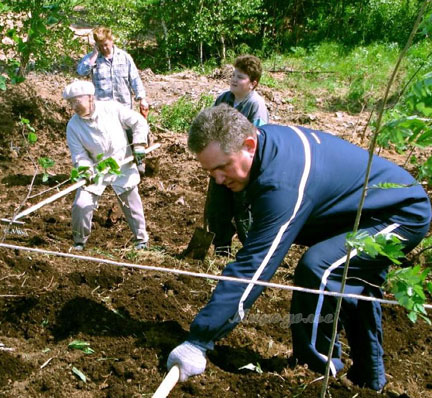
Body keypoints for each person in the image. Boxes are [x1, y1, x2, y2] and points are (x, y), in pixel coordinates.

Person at [167, 104, 431, 391]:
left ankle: (317, 374)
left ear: (249, 144)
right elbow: (222, 201)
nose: (218, 178)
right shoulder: (255, 150)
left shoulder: (283, 183)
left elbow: (256, 265)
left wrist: (200, 339)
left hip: (399, 214)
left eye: (222, 168)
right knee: (352, 281)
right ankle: (371, 380)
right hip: (356, 211)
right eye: (210, 171)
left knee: (319, 269)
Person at [63, 80, 149, 251]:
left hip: (121, 162)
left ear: (89, 98)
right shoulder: (73, 126)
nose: (74, 106)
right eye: (70, 102)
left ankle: (141, 240)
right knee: (81, 204)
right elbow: (79, 154)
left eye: (76, 101)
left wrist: (139, 144)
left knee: (131, 202)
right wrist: (85, 169)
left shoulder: (111, 108)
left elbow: (138, 122)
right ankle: (79, 242)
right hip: (97, 169)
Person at [205, 54, 268, 255]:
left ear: (253, 83)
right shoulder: (223, 99)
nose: (234, 79)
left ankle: (252, 255)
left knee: (243, 215)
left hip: (242, 171)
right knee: (216, 211)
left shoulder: (256, 106)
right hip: (220, 167)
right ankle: (221, 251)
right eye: (233, 75)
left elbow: (255, 142)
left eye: (240, 77)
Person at [77, 27, 150, 173]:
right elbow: (81, 71)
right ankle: (108, 168)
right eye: (101, 45)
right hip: (104, 110)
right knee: (106, 140)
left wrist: (142, 98)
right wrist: (93, 55)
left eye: (106, 44)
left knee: (132, 133)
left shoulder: (124, 57)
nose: (104, 48)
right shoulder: (93, 59)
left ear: (112, 41)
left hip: (123, 106)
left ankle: (139, 163)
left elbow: (135, 79)